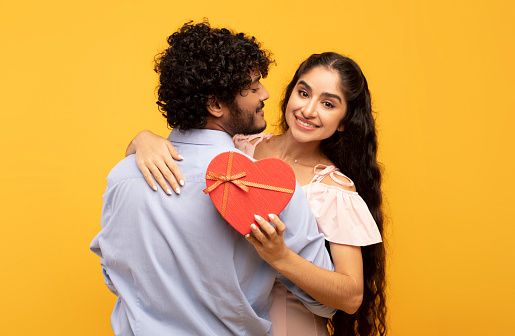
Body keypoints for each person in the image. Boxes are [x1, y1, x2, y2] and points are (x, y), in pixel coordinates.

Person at [90, 21, 336, 336]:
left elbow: (113, 274)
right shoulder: (269, 186)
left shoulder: (122, 176)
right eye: (252, 86)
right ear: (215, 104)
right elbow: (323, 303)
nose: (265, 93)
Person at [127, 52, 387, 335]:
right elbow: (177, 163)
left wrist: (280, 257)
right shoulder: (237, 147)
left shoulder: (334, 190)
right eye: (303, 93)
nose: (308, 110)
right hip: (221, 322)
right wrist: (143, 139)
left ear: (344, 121)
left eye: (327, 103)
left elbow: (351, 298)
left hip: (290, 326)